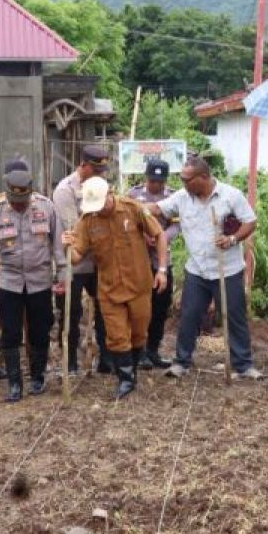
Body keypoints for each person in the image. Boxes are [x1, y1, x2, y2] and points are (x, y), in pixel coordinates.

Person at [149, 156, 263, 380]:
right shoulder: (182, 197)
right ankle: (182, 362)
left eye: (187, 180)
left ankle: (243, 364)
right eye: (181, 179)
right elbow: (158, 209)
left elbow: (250, 222)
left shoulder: (231, 195)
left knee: (233, 316)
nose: (183, 184)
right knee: (189, 316)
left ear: (203, 177)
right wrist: (136, 208)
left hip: (227, 269)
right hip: (197, 270)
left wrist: (232, 239)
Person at [70, 177, 168, 398]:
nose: (100, 209)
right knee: (115, 335)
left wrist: (161, 270)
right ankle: (125, 379)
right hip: (109, 288)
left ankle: (131, 371)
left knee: (139, 332)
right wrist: (67, 246)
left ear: (110, 194)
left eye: (102, 203)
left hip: (139, 284)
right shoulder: (87, 221)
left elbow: (159, 234)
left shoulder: (133, 209)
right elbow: (76, 257)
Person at [0, 168, 63, 403]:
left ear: (30, 193)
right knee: (10, 332)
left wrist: (63, 274)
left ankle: (38, 377)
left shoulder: (46, 207)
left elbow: (57, 244)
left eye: (22, 200)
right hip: (10, 281)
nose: (18, 205)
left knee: (40, 330)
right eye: (14, 201)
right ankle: (15, 383)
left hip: (40, 280)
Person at [52, 144, 110, 375]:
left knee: (106, 310)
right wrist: (98, 238)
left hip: (98, 262)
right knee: (70, 313)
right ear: (83, 165)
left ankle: (107, 360)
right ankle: (70, 363)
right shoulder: (65, 190)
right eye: (95, 169)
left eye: (102, 170)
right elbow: (74, 230)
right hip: (71, 262)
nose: (100, 174)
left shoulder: (103, 186)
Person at [128, 158, 180, 369]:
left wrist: (161, 237)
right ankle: (137, 352)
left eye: (159, 181)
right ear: (146, 177)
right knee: (139, 308)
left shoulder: (174, 197)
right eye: (152, 180)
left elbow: (177, 226)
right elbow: (127, 224)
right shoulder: (133, 195)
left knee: (159, 308)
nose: (155, 185)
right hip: (139, 260)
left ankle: (153, 350)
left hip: (162, 261)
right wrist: (144, 236)